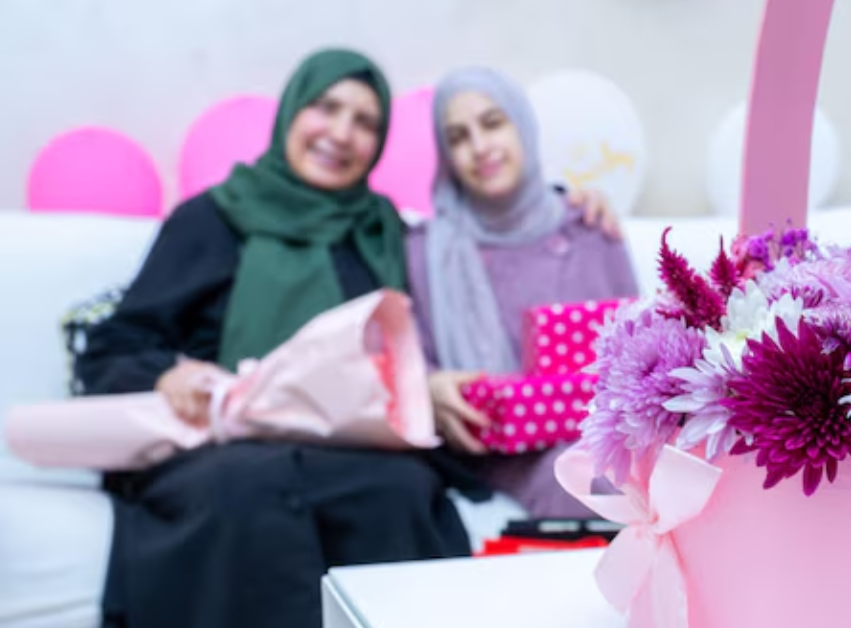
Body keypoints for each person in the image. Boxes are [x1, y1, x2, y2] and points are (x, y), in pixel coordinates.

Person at [77, 49, 485, 628]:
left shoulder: (380, 229)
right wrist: (169, 374)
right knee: (240, 491)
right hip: (221, 445)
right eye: (327, 107)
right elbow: (115, 345)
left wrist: (567, 203)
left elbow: (481, 246)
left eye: (365, 122)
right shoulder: (210, 218)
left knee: (401, 492)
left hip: (355, 448)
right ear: (293, 111)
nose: (342, 133)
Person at [406, 67, 639, 518]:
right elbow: (414, 363)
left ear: (522, 127)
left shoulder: (589, 227)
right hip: (501, 458)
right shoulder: (425, 252)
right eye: (457, 137)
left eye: (493, 123)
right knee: (597, 481)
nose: (479, 147)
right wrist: (429, 388)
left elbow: (642, 349)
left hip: (609, 437)